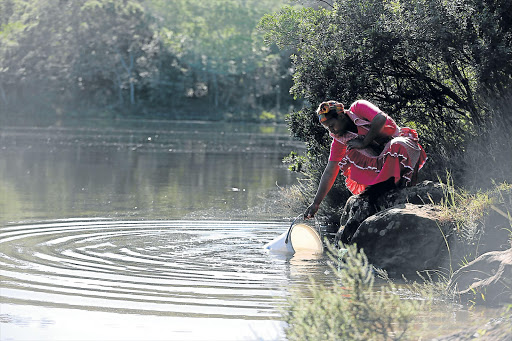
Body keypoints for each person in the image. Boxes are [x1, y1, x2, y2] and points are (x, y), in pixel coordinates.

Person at [303, 99, 427, 220]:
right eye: (327, 128)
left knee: (396, 144)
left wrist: (364, 142)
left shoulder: (358, 107)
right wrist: (316, 203)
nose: (331, 131)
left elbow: (381, 118)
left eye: (332, 125)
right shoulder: (339, 139)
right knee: (352, 152)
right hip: (382, 161)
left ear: (341, 116)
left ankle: (389, 184)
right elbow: (330, 171)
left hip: (402, 149)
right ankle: (379, 187)